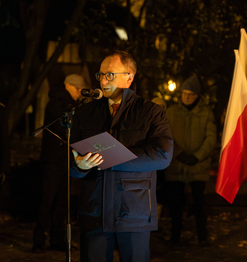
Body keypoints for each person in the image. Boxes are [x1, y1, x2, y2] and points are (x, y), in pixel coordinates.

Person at [70, 50, 173, 262]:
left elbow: (162, 155)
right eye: (100, 75)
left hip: (133, 210)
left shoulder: (151, 112)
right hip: (94, 211)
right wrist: (78, 165)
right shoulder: (85, 112)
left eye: (110, 74)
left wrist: (114, 157)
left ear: (129, 76)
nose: (103, 80)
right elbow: (68, 158)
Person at [32, 74, 88, 253]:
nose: (79, 93)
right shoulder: (57, 103)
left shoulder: (72, 104)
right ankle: (39, 239)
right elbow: (63, 128)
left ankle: (57, 238)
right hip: (54, 160)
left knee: (63, 201)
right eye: (77, 89)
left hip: (66, 159)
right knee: (48, 200)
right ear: (68, 86)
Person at [165, 75, 217, 247]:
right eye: (184, 94)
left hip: (197, 167)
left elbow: (210, 137)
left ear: (197, 96)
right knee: (175, 204)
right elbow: (165, 136)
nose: (186, 97)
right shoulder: (171, 112)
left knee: (199, 203)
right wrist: (178, 153)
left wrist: (197, 156)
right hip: (176, 165)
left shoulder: (206, 113)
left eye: (190, 94)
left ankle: (202, 236)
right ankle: (175, 236)